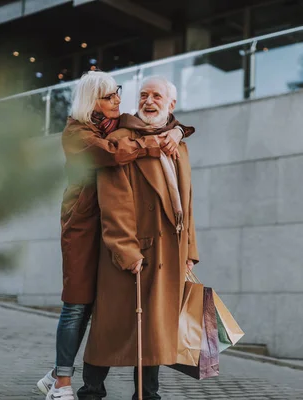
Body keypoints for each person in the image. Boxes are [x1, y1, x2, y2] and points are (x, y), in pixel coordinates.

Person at [36, 71, 191, 400]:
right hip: (86, 228)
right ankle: (65, 380)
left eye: (118, 94)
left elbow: (185, 200)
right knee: (81, 306)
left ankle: (78, 379)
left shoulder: (126, 126)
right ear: (93, 102)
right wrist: (126, 247)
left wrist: (176, 130)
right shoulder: (83, 133)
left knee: (126, 316)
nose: (120, 100)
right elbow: (115, 157)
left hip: (135, 240)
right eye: (110, 97)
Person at [79, 76, 199, 400]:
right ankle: (91, 391)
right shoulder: (123, 140)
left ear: (170, 104)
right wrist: (126, 251)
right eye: (143, 95)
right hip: (134, 252)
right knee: (110, 327)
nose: (149, 101)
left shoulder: (178, 144)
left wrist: (189, 250)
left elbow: (186, 205)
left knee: (155, 331)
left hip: (168, 254)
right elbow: (114, 202)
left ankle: (148, 395)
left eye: (156, 96)